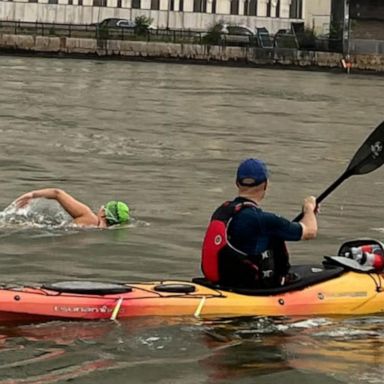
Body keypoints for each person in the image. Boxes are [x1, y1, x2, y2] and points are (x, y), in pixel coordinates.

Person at [201, 158, 318, 289]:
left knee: (271, 235)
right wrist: (309, 208)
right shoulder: (263, 220)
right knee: (273, 236)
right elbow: (310, 231)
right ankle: (280, 280)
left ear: (237, 183)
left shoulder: (224, 210)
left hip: (221, 281)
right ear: (266, 184)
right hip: (249, 288)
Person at [14, 188, 130, 228]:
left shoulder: (89, 217)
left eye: (103, 208)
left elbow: (57, 193)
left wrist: (32, 195)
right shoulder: (98, 229)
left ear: (104, 214)